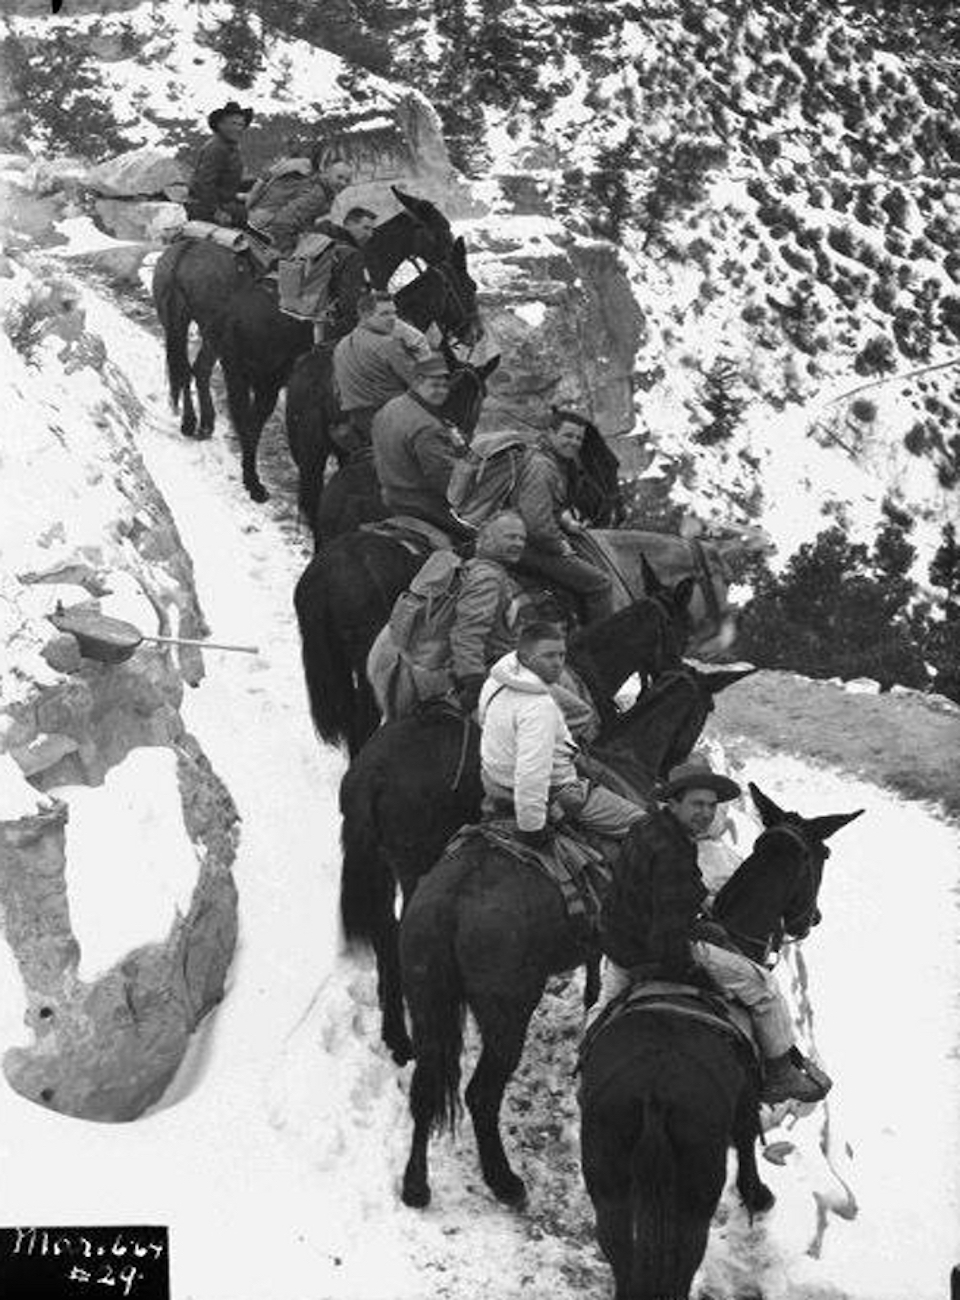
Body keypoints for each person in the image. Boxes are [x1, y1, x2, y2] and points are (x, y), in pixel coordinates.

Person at [596, 761, 828, 1105]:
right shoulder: (674, 850)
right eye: (697, 804)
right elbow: (669, 938)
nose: (705, 813)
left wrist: (700, 910)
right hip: (658, 949)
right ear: (673, 803)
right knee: (765, 989)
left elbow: (662, 894)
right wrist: (697, 969)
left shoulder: (646, 828)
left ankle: (586, 1076)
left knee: (599, 1017)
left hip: (620, 947)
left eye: (711, 805)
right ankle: (780, 1074)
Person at [478, 622, 644, 846]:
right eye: (548, 656)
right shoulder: (539, 707)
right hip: (556, 793)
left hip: (494, 789)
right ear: (526, 658)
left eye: (561, 656)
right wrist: (532, 827)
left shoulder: (497, 680)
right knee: (648, 828)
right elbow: (532, 772)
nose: (557, 664)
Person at [513, 409, 614, 624]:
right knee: (600, 584)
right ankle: (601, 648)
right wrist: (559, 545)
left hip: (527, 538)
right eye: (568, 435)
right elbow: (536, 525)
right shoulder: (542, 467)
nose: (574, 442)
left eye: (579, 438)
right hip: (524, 544)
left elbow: (551, 506)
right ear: (551, 433)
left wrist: (567, 521)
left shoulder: (555, 461)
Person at [371, 354, 473, 539]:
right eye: (434, 385)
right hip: (424, 505)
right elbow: (445, 479)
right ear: (417, 382)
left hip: (389, 497)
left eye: (444, 386)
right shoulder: (427, 426)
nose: (441, 391)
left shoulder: (388, 408)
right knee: (481, 540)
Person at [333, 290, 430, 439]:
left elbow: (338, 391)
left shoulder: (341, 345)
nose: (392, 319)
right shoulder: (388, 344)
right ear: (365, 316)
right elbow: (421, 384)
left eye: (394, 313)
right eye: (385, 314)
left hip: (358, 423)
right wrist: (424, 349)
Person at [256, 152, 353, 257]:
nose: (343, 183)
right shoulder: (318, 194)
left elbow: (305, 217)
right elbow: (285, 219)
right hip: (277, 235)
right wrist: (285, 248)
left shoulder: (323, 190)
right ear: (327, 174)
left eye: (347, 180)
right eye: (339, 177)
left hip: (278, 232)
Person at [185, 101, 253, 227]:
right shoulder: (217, 148)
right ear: (221, 125)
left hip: (221, 203)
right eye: (233, 123)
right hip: (205, 207)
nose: (238, 128)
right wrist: (217, 212)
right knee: (251, 217)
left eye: (241, 125)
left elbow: (226, 180)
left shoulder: (230, 146)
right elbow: (204, 183)